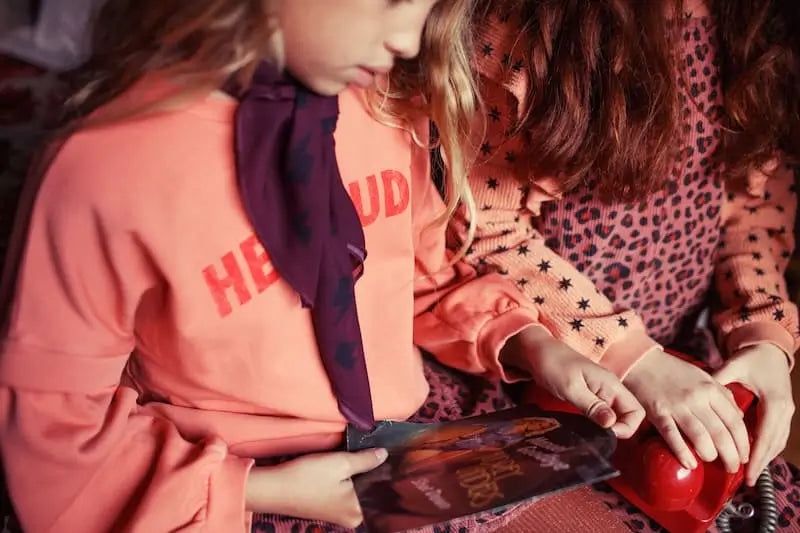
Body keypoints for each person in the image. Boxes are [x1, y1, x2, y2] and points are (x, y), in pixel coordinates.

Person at [0, 1, 647, 531]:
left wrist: (532, 343)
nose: (406, 37)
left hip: (404, 450)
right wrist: (255, 489)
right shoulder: (103, 169)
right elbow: (53, 422)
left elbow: (416, 278)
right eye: (389, 3)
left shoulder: (382, 102)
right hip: (219, 491)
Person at [453, 0, 800, 528]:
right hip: (536, 366)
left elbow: (750, 209)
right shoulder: (524, 30)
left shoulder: (752, 26)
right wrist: (628, 356)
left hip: (681, 367)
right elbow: (485, 228)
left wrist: (764, 334)